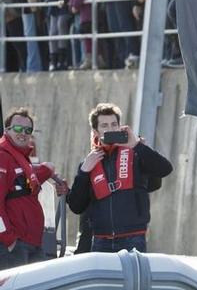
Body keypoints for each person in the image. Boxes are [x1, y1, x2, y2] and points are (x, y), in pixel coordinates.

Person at [67, 103, 173, 252]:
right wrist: (84, 172)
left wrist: (137, 145)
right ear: (95, 131)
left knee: (133, 276)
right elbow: (76, 206)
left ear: (120, 126)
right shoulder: (89, 163)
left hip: (133, 237)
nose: (110, 129)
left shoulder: (135, 152)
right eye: (104, 125)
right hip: (101, 239)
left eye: (114, 124)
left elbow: (165, 169)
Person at [0, 108, 65, 269]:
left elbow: (25, 180)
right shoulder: (3, 156)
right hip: (14, 247)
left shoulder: (20, 157)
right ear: (7, 130)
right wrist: (9, 240)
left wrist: (50, 171)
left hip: (33, 244)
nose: (23, 133)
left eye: (27, 130)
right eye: (17, 128)